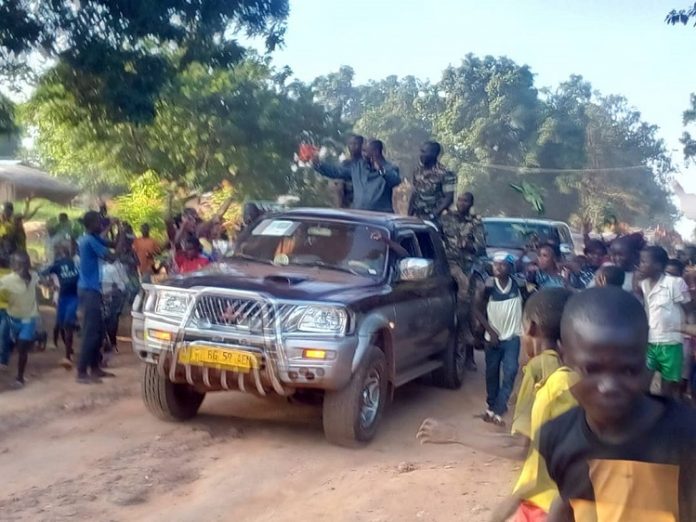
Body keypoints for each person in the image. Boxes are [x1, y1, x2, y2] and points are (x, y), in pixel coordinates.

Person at [539, 287, 696, 521]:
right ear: (564, 356)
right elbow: (568, 500)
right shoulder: (557, 437)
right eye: (591, 369)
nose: (609, 387)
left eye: (628, 370)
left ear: (644, 358)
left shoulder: (687, 437)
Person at [474, 253, 524, 426]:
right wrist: (490, 331)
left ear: (510, 267)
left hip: (512, 337)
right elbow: (476, 310)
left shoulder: (519, 286)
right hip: (492, 339)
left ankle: (498, 408)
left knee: (510, 372)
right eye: (495, 265)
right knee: (491, 374)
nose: (498, 268)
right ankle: (492, 405)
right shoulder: (487, 287)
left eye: (502, 265)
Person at [440, 192, 486, 371]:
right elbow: (437, 236)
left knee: (473, 303)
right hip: (448, 264)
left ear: (471, 203)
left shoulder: (476, 222)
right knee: (463, 291)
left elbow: (481, 247)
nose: (461, 203)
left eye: (465, 201)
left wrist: (469, 246)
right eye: (459, 200)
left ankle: (469, 352)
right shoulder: (446, 218)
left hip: (467, 266)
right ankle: (464, 336)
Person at [638, 245, 691, 398]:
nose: (640, 265)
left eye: (643, 262)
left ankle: (666, 416)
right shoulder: (644, 284)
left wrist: (687, 331)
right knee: (644, 384)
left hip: (671, 343)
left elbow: (688, 308)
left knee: (667, 389)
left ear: (658, 266)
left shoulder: (674, 284)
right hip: (650, 341)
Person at [76, 210, 117, 384]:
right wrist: (121, 236)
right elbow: (112, 255)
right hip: (89, 290)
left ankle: (94, 367)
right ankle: (81, 372)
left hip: (92, 290)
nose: (101, 224)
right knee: (90, 332)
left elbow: (111, 243)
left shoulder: (91, 238)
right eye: (98, 221)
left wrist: (115, 228)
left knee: (98, 331)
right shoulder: (89, 241)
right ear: (91, 223)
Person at [312, 138, 401, 213]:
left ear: (376, 152)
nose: (362, 154)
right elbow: (337, 172)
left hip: (380, 217)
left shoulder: (390, 168)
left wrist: (381, 170)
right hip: (359, 216)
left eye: (365, 151)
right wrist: (319, 165)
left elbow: (395, 181)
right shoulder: (358, 167)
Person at [0, 252, 39, 388]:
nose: (23, 267)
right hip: (12, 319)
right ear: (14, 266)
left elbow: (41, 280)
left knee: (22, 347)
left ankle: (20, 377)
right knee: (12, 343)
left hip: (29, 319)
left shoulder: (34, 276)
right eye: (19, 264)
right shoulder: (7, 280)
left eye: (25, 263)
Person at [40, 244, 79, 369]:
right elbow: (42, 274)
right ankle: (67, 351)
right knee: (62, 325)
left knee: (67, 325)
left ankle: (67, 356)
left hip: (71, 297)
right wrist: (49, 283)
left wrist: (47, 283)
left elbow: (42, 274)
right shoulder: (61, 265)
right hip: (63, 298)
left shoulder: (74, 263)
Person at [408, 141, 456, 223]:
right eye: (421, 151)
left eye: (424, 152)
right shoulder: (417, 171)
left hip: (435, 219)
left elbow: (449, 198)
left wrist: (433, 215)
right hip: (417, 217)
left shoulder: (445, 173)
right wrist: (409, 215)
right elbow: (414, 193)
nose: (421, 155)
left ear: (433, 154)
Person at [337, 134, 363, 208]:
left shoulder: (367, 163)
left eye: (355, 144)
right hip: (348, 202)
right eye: (350, 144)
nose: (352, 147)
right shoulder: (345, 164)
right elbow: (340, 187)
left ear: (361, 145)